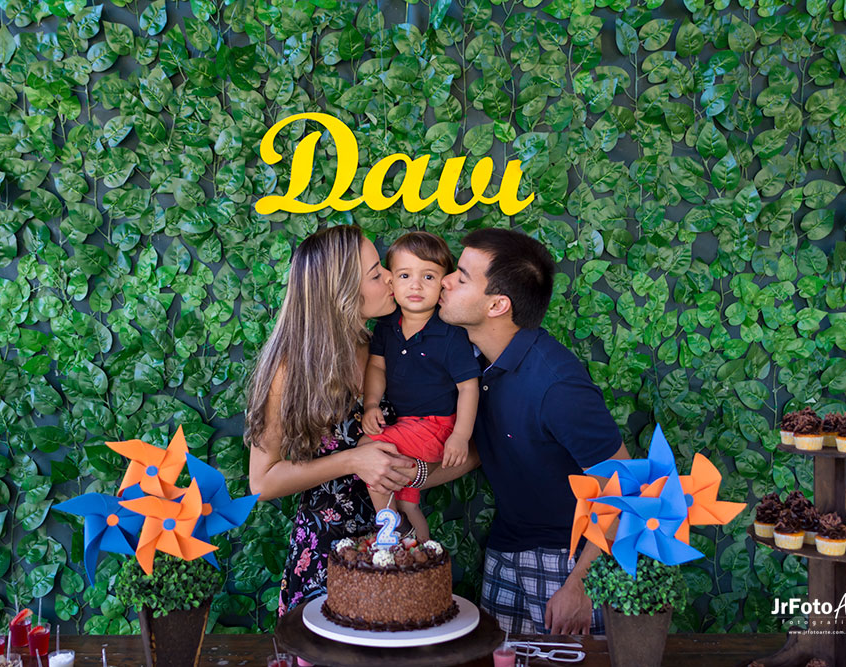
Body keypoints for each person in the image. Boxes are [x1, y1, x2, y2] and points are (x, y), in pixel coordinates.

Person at [244, 225, 478, 616]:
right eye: (375, 274)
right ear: (340, 292)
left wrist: (416, 473)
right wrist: (354, 460)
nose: (389, 277)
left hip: (399, 553)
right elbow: (262, 482)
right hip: (325, 559)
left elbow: (470, 450)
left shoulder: (388, 350)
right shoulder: (290, 370)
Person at [437, 228, 629, 636]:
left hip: (568, 561)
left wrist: (580, 584)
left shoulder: (557, 385)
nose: (445, 281)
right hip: (504, 551)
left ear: (498, 304)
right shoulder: (473, 361)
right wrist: (405, 477)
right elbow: (486, 449)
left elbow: (623, 487)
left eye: (462, 277)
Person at [360, 232, 480, 542]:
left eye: (428, 276)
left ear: (444, 283)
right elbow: (377, 367)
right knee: (408, 503)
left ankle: (387, 531)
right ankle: (423, 554)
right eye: (404, 276)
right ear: (391, 281)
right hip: (405, 426)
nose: (416, 285)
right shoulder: (387, 325)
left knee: (370, 449)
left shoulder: (449, 333)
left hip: (436, 426)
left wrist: (460, 436)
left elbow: (468, 387)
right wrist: (371, 404)